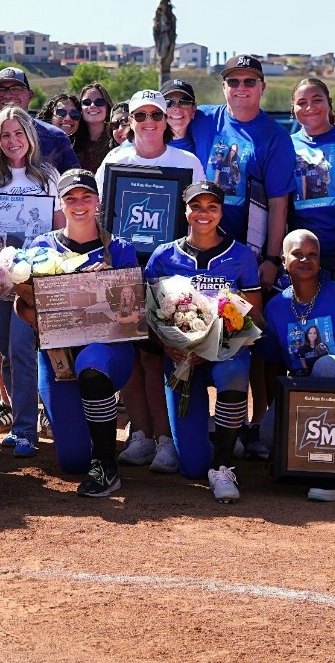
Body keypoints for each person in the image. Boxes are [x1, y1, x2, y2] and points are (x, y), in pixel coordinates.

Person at [185, 56, 295, 459]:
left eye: (250, 81)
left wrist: (272, 258)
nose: (241, 88)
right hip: (200, 248)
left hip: (248, 253)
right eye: (234, 81)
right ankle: (201, 422)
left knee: (250, 335)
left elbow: (279, 202)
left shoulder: (274, 135)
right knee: (196, 328)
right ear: (224, 86)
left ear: (262, 86)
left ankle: (256, 423)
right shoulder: (204, 119)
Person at [99, 89, 206, 473]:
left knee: (158, 356)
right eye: (140, 116)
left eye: (156, 115)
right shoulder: (115, 160)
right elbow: (102, 217)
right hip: (124, 271)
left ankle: (165, 439)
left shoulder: (187, 163)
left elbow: (199, 218)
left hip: (171, 273)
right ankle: (141, 435)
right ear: (129, 122)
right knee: (130, 354)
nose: (148, 122)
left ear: (166, 121)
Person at [19, 169, 140, 497]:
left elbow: (132, 315)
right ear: (61, 203)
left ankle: (106, 465)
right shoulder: (42, 246)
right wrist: (52, 313)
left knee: (92, 366)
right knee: (73, 462)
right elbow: (22, 308)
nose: (79, 204)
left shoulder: (120, 248)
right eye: (70, 198)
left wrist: (105, 286)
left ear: (98, 201)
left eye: (86, 196)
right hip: (58, 355)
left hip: (108, 348)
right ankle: (88, 429)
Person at [144, 181, 263, 503]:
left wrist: (216, 342)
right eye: (196, 206)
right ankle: (219, 432)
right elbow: (148, 315)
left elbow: (255, 317)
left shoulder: (241, 255)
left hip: (227, 355)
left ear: (222, 212)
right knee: (192, 467)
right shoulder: (163, 256)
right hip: (182, 360)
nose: (203, 213)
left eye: (212, 207)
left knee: (234, 373)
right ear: (185, 210)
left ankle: (223, 465)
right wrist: (166, 344)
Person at [0, 106, 64, 458]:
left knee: (24, 352)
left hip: (33, 283)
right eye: (6, 135)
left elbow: (59, 229)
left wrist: (53, 272)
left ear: (30, 137)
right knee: (8, 353)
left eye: (18, 133)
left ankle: (26, 430)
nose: (13, 141)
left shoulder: (48, 176)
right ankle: (21, 419)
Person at [262, 230, 335, 502]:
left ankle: (332, 475)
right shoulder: (276, 307)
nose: (305, 260)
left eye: (312, 254)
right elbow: (273, 367)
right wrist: (277, 428)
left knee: (326, 366)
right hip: (304, 400)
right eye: (297, 254)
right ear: (283, 260)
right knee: (268, 433)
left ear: (320, 260)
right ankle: (308, 461)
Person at [290, 78, 335, 281]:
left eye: (317, 100)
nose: (310, 107)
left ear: (329, 103)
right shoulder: (285, 145)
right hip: (303, 254)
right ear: (293, 108)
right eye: (302, 102)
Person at [0, 67, 80, 172]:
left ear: (30, 95)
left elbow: (74, 179)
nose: (8, 95)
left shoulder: (55, 136)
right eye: (0, 90)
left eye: (16, 89)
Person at [73, 82, 117, 171]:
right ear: (80, 109)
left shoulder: (117, 139)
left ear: (107, 108)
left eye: (99, 102)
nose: (92, 106)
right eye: (87, 102)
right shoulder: (72, 142)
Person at [162, 80, 197, 153]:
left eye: (185, 102)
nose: (177, 108)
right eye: (168, 102)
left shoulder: (203, 149)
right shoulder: (143, 146)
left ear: (193, 109)